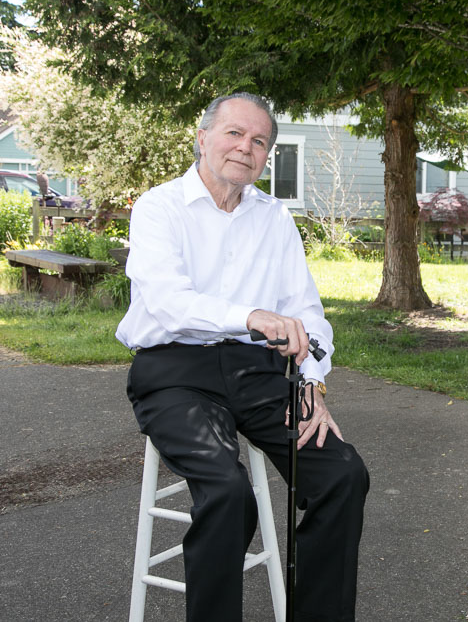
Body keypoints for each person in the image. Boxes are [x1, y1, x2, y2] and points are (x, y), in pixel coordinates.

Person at [116, 92, 369, 621]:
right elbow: (167, 302)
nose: (245, 148)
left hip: (259, 372)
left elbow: (307, 313)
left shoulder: (274, 218)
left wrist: (311, 382)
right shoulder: (158, 207)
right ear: (203, 137)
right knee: (230, 493)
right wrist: (250, 315)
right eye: (234, 133)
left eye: (259, 142)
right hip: (174, 371)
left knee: (343, 474)